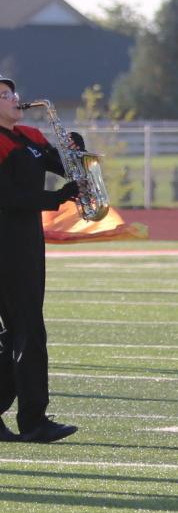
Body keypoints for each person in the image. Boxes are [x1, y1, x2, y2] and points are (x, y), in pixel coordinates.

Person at [0, 77, 80, 444]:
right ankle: (34, 419)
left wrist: (73, 150)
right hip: (5, 241)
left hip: (27, 242)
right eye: (3, 95)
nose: (14, 98)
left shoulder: (30, 136)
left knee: (17, 333)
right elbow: (7, 196)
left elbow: (65, 168)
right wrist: (55, 200)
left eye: (11, 92)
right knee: (27, 330)